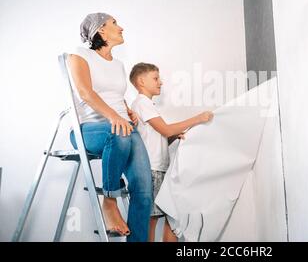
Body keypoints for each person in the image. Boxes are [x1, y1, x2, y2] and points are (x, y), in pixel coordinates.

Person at [69, 13, 152, 242]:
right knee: (120, 132)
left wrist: (126, 110)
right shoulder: (79, 55)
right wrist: (115, 117)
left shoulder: (118, 64)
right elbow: (86, 92)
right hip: (89, 129)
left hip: (122, 128)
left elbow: (114, 95)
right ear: (101, 30)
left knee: (144, 193)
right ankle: (110, 200)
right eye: (115, 23)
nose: (121, 27)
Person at [129, 62, 213, 242]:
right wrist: (197, 119)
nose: (161, 82)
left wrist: (174, 136)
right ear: (141, 81)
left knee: (163, 218)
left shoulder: (146, 105)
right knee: (150, 221)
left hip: (155, 168)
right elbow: (165, 129)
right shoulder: (142, 103)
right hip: (150, 169)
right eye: (156, 78)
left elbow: (157, 137)